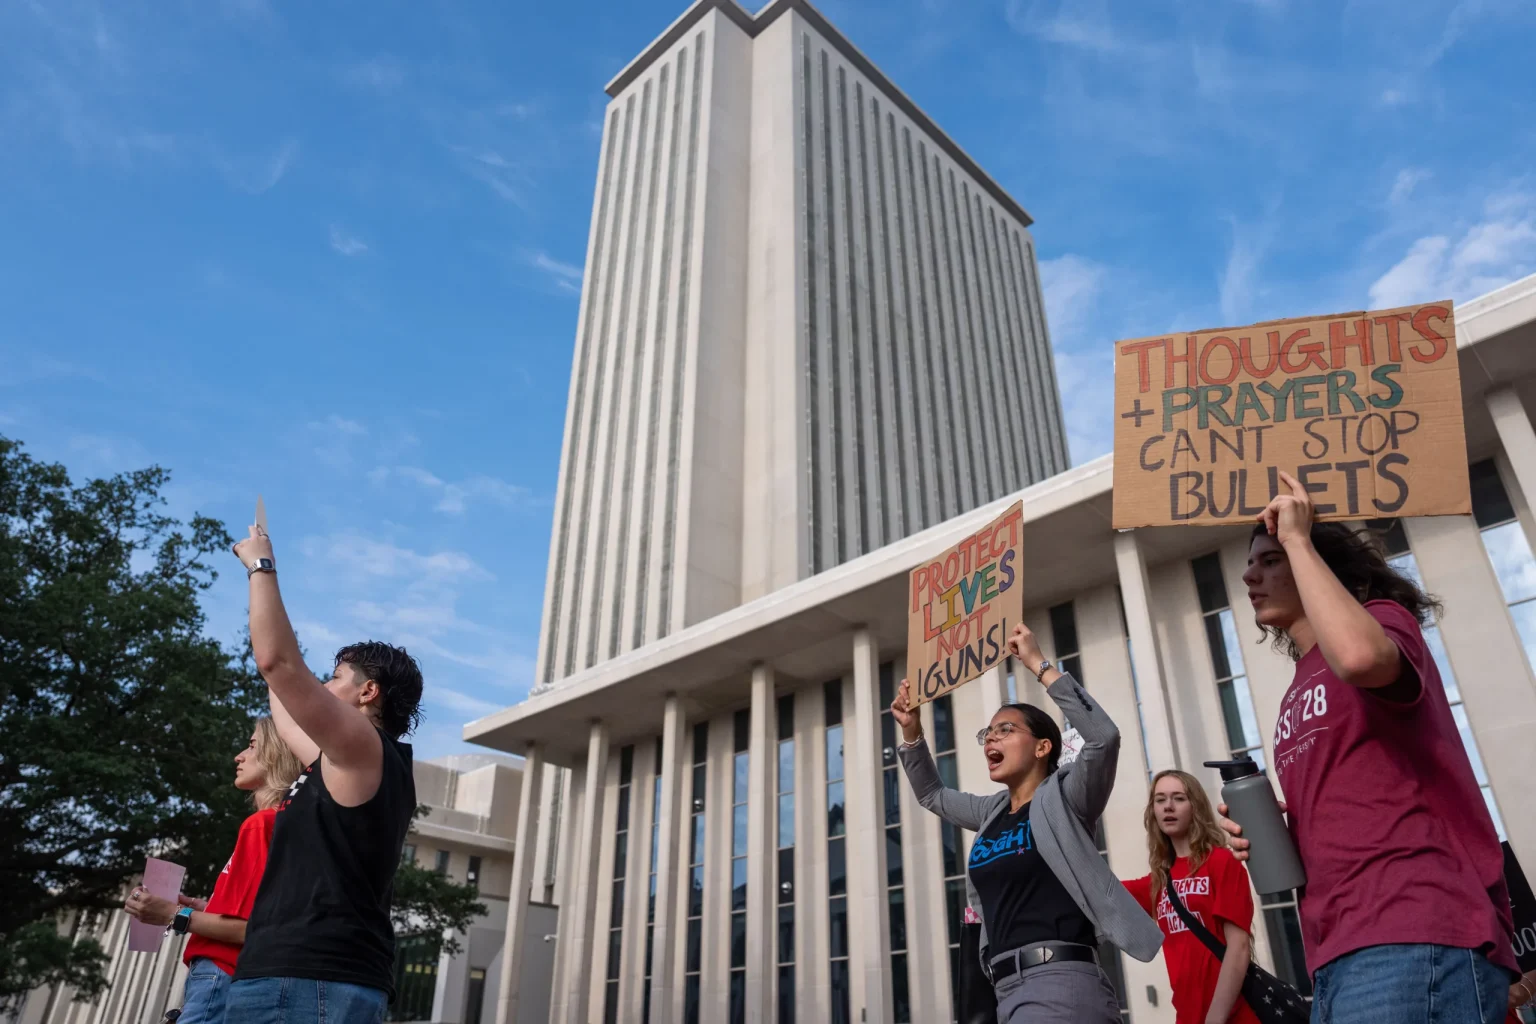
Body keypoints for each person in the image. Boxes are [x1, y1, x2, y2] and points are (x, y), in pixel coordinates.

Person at [1221, 470, 1518, 1023]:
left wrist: (1299, 536)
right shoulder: (1295, 690)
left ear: (1321, 567)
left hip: (1417, 925)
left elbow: (1360, 659)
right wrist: (1276, 832)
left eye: (1270, 559)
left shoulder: (1382, 623)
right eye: (1252, 562)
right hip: (1335, 949)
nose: (1248, 575)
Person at [892, 623, 1162, 1022]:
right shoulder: (992, 813)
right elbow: (932, 795)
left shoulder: (1067, 797)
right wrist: (912, 732)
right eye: (988, 733)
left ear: (1042, 746)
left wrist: (1037, 663)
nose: (990, 741)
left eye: (1006, 730)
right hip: (1004, 988)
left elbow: (1103, 736)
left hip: (1060, 984)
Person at [224, 524, 423, 1024]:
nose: (322, 688)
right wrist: (259, 606)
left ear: (368, 693)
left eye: (334, 678)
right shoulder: (340, 759)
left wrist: (261, 567)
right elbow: (282, 690)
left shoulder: (362, 746)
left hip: (312, 982)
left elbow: (279, 666)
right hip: (297, 979)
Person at [125, 717, 303, 1024]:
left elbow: (251, 929)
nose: (239, 756)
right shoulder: (280, 826)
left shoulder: (261, 825)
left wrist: (172, 914)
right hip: (220, 978)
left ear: (276, 753)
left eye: (251, 745)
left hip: (221, 975)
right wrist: (205, 907)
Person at [1122, 770, 1258, 1024]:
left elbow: (1239, 948)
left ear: (1195, 806)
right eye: (1160, 800)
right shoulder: (1158, 881)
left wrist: (1215, 1019)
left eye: (1179, 798)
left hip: (1234, 1016)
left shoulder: (1221, 861)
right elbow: (1100, 890)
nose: (1168, 807)